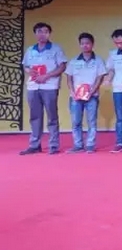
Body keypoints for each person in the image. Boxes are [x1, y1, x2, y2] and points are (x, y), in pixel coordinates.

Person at [19, 22, 68, 155]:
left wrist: (47, 76)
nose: (42, 34)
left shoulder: (56, 49)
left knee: (52, 116)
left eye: (46, 32)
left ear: (49, 34)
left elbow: (62, 66)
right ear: (35, 34)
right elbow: (26, 66)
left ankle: (53, 145)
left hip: (50, 85)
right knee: (35, 116)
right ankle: (34, 145)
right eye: (39, 32)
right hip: (33, 86)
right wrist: (29, 71)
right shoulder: (30, 50)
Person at [64, 33, 107, 153]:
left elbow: (100, 78)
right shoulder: (74, 61)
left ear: (92, 44)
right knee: (76, 122)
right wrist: (72, 92)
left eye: (87, 43)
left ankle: (90, 145)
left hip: (92, 96)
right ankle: (78, 145)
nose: (85, 45)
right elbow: (69, 78)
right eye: (82, 43)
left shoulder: (98, 61)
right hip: (76, 97)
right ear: (80, 45)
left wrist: (91, 91)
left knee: (91, 121)